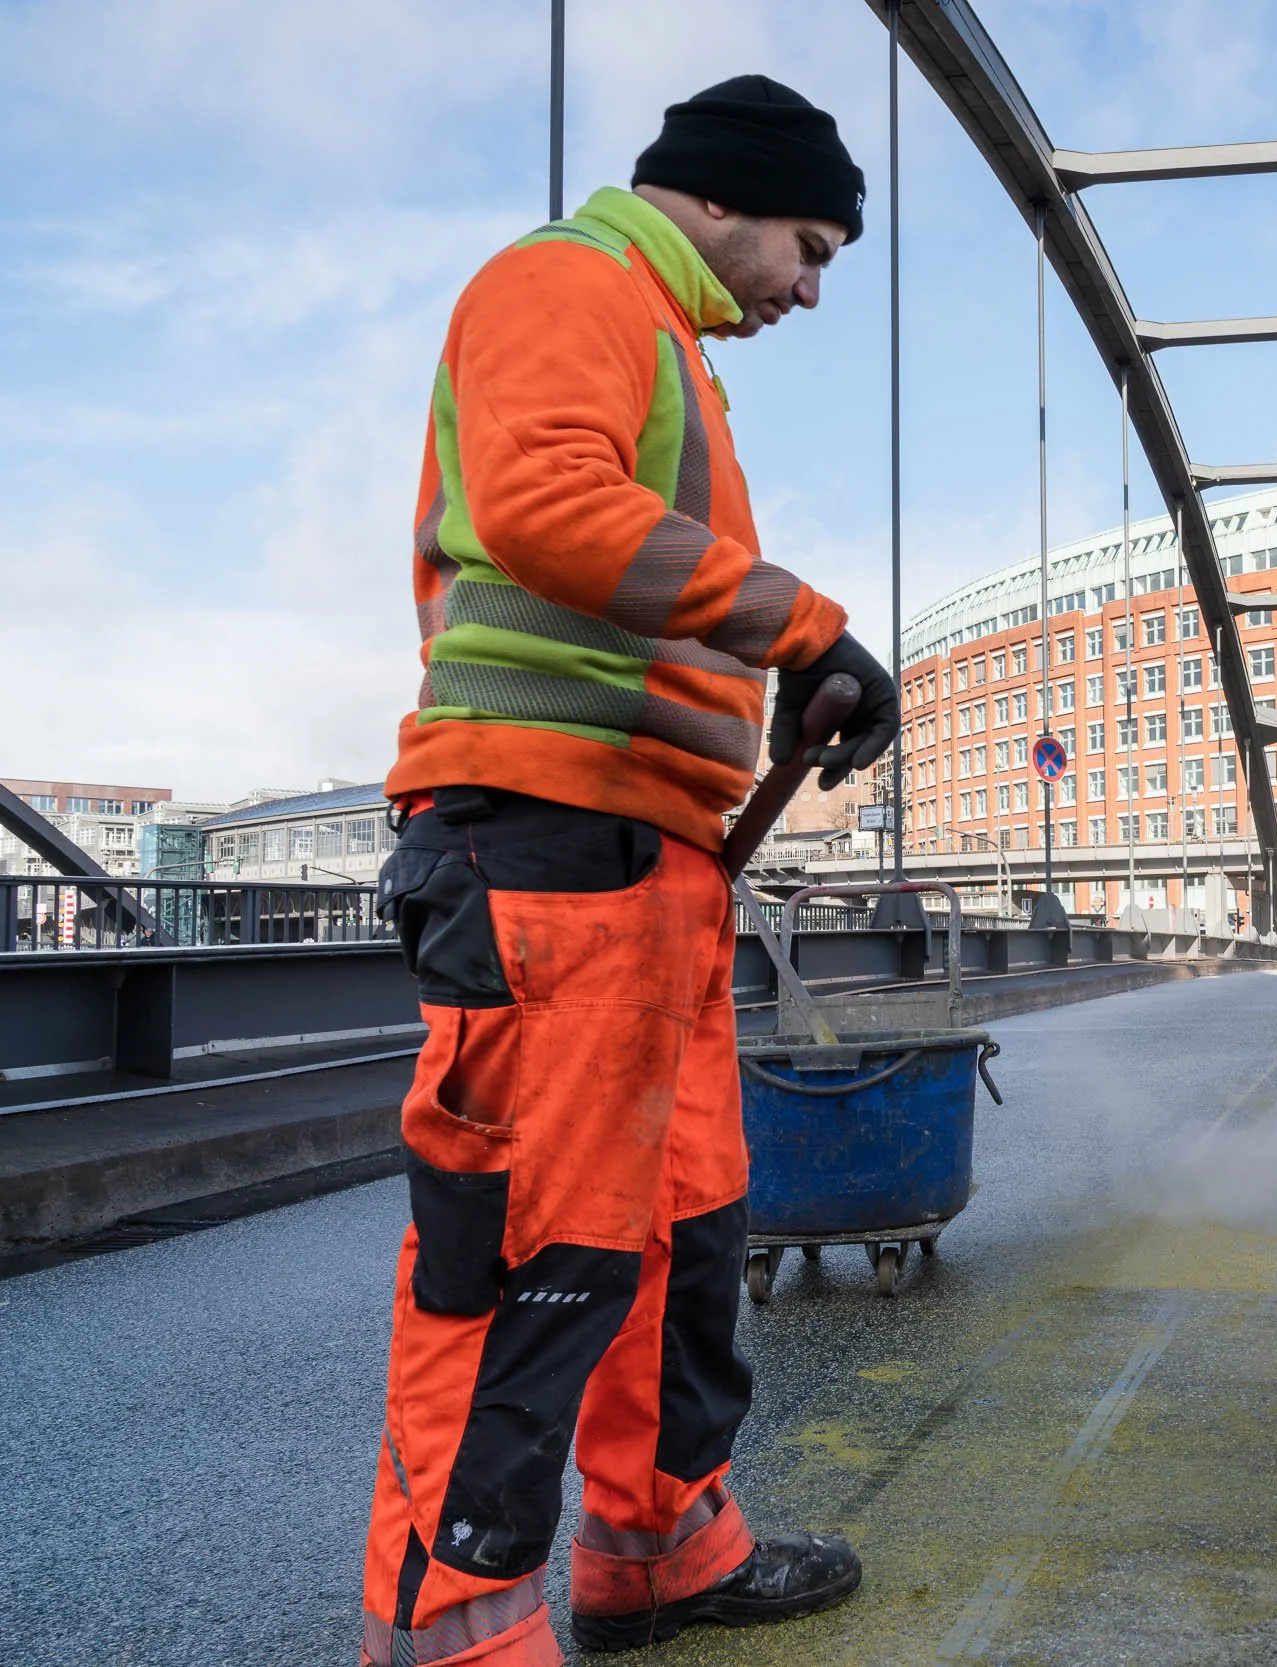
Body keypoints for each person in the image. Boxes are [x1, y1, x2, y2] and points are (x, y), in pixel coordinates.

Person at [360, 76, 902, 1663]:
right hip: (538, 843)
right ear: (723, 200)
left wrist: (780, 684)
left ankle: (658, 1543)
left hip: (644, 854)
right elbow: (539, 504)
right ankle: (456, 1628)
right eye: (807, 245)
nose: (811, 286)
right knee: (530, 1238)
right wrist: (800, 625)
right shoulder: (563, 285)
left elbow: (647, 590)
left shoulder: (676, 359)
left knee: (675, 1225)